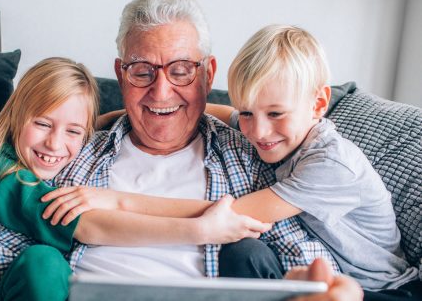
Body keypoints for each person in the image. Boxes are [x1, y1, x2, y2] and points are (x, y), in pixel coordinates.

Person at [0, 0, 365, 301]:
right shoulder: (75, 156)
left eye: (181, 70)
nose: (161, 93)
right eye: (143, 71)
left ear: (208, 75)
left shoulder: (246, 154)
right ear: (121, 74)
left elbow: (289, 243)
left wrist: (323, 284)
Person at [35, 25, 419, 296]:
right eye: (249, 114)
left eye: (275, 115)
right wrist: (102, 120)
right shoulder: (264, 125)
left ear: (318, 104)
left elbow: (229, 213)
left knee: (253, 253)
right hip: (326, 269)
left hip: (379, 287)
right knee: (246, 255)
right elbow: (220, 112)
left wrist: (115, 199)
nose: (258, 132)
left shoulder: (331, 166)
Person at [0, 57, 262, 300]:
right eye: (41, 124)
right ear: (17, 118)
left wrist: (224, 112)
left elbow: (97, 123)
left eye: (73, 132)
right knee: (44, 262)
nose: (55, 143)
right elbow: (88, 226)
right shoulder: (8, 176)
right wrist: (201, 227)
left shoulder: (75, 146)